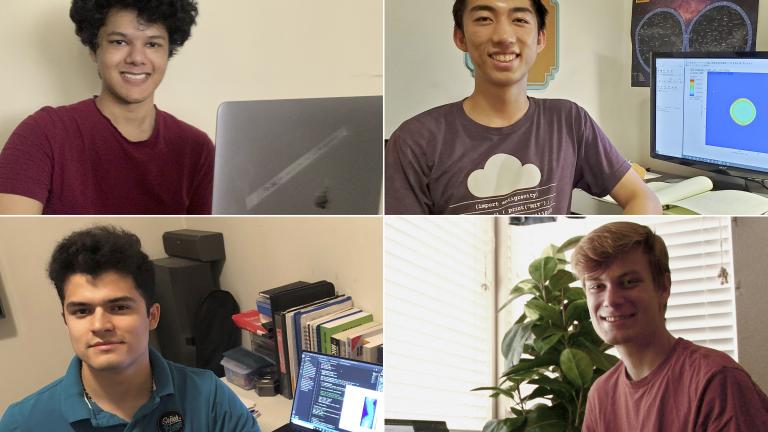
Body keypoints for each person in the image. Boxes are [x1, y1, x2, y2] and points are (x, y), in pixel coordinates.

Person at [385, 0, 661, 215]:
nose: (504, 35)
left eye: (519, 19)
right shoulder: (414, 140)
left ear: (541, 38)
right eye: (484, 18)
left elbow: (642, 198)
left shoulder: (569, 120)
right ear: (461, 38)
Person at [0, 226, 260, 431]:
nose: (100, 325)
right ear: (66, 320)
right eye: (82, 311)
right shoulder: (22, 423)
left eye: (119, 307)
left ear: (152, 316)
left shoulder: (209, 398)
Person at [0, 0, 213, 215]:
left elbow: (213, 241)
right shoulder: (43, 134)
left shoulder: (197, 149)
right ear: (94, 49)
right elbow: (13, 240)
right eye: (119, 42)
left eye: (152, 44)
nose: (137, 58)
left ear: (168, 53)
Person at [572, 221, 768, 431]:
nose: (611, 300)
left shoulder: (715, 380)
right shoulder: (601, 395)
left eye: (629, 282)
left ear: (663, 287)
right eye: (597, 286)